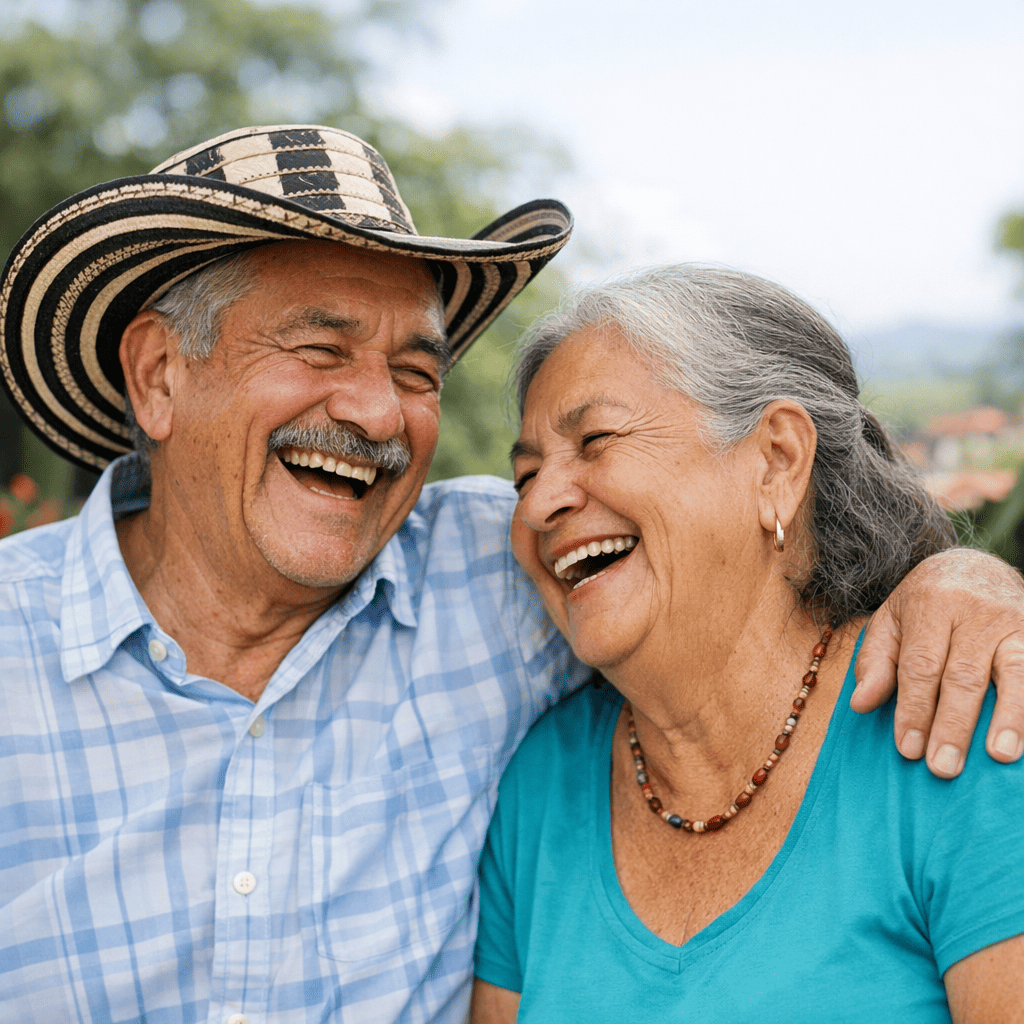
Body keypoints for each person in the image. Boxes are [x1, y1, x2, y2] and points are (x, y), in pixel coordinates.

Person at [0, 127, 1020, 1024]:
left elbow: (738, 589)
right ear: (159, 374)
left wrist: (963, 577)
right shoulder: (14, 648)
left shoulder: (495, 572)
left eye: (416, 371)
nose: (377, 412)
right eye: (319, 347)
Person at [470, 265, 1024, 1023]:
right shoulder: (542, 783)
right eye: (525, 476)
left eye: (595, 441)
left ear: (777, 463)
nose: (537, 503)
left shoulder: (959, 723)